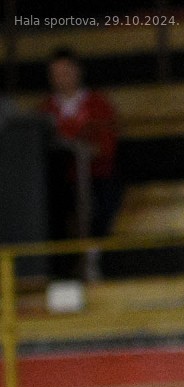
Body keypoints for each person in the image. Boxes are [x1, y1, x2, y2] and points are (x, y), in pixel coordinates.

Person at [41, 47, 121, 280]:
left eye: (66, 72)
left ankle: (92, 257)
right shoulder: (45, 110)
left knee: (102, 203)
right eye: (55, 73)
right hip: (60, 181)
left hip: (97, 176)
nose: (61, 78)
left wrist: (77, 143)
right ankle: (61, 268)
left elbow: (105, 147)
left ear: (78, 71)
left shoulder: (98, 104)